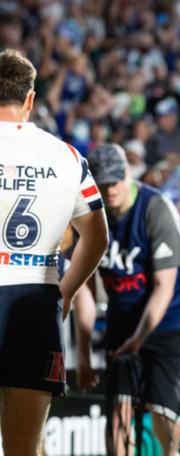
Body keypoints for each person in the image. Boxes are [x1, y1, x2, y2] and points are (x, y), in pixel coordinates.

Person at [0, 48, 108, 456]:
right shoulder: (66, 156)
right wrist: (65, 291)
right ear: (30, 99)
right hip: (36, 298)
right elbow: (96, 238)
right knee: (25, 448)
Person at [75, 143, 180, 455]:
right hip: (124, 314)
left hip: (171, 318)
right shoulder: (89, 216)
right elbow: (85, 291)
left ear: (128, 174)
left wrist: (140, 338)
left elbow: (164, 286)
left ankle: (171, 452)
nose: (111, 188)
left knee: (163, 412)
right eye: (103, 183)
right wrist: (83, 356)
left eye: (116, 181)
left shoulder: (155, 208)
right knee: (119, 410)